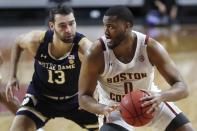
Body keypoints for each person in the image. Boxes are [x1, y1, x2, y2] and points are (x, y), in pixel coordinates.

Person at [78, 6, 194, 131]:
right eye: (105, 26)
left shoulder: (150, 47)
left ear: (127, 26)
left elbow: (182, 87)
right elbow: (83, 97)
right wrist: (102, 108)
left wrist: (161, 96)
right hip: (114, 108)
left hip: (150, 101)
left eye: (111, 27)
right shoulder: (96, 54)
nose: (105, 32)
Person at [6, 4, 98, 131]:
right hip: (41, 98)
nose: (69, 30)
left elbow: (100, 61)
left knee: (108, 126)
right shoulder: (36, 42)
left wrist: (96, 90)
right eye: (62, 25)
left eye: (72, 23)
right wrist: (12, 76)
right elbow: (18, 42)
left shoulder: (83, 46)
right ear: (51, 26)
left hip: (76, 100)